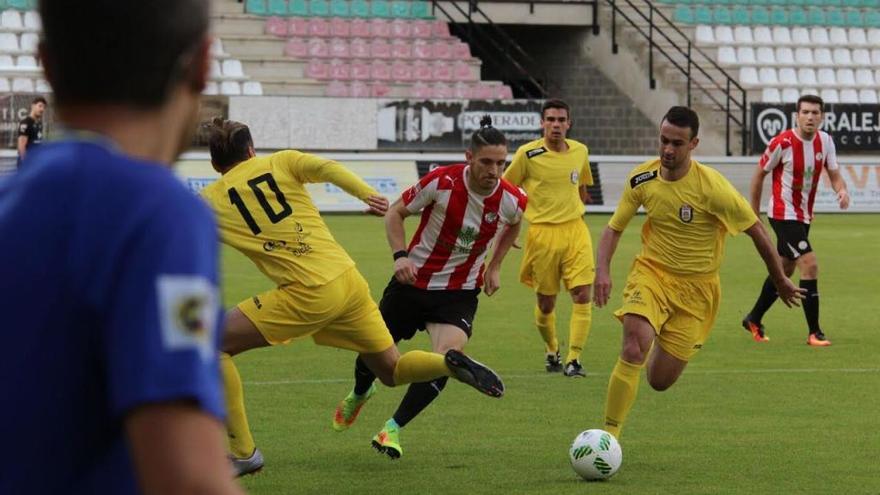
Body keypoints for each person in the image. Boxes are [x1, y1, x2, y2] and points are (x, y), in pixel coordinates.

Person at [0, 1, 243, 494]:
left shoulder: (14, 201)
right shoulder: (159, 213)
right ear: (202, 64)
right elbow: (187, 475)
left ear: (47, 64)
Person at [201, 118, 505, 476]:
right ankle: (446, 363)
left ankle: (242, 452)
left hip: (307, 292)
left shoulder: (209, 201)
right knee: (391, 371)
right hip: (349, 281)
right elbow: (327, 168)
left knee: (211, 345)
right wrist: (367, 194)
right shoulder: (281, 161)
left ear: (215, 164)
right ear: (251, 150)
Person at [593, 106, 804, 440]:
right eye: (663, 141)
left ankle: (658, 331)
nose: (667, 150)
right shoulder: (642, 179)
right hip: (652, 274)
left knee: (659, 381)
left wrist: (779, 280)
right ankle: (608, 437)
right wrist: (602, 270)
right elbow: (613, 229)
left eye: (677, 143)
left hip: (697, 291)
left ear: (694, 144)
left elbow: (757, 230)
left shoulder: (713, 188)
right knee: (634, 346)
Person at [332, 116, 527, 459]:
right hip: (413, 283)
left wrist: (494, 266)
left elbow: (514, 224)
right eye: (486, 162)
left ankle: (392, 429)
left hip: (459, 294)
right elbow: (396, 213)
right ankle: (361, 392)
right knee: (371, 353)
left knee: (448, 360)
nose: (494, 171)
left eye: (501, 163)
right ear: (469, 157)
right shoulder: (442, 181)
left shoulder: (512, 199)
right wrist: (400, 256)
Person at [742, 94, 850, 346]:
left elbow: (834, 174)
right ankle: (815, 333)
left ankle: (753, 317)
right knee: (809, 265)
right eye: (806, 112)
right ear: (797, 116)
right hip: (782, 213)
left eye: (815, 112)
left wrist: (841, 190)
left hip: (803, 215)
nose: (810, 117)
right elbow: (759, 174)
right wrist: (753, 214)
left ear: (822, 116)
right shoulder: (784, 142)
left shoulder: (826, 141)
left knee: (785, 268)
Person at [502, 98, 595, 377]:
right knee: (546, 303)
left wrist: (577, 209)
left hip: (576, 230)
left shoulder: (580, 151)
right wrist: (512, 223)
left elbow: (582, 188)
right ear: (542, 123)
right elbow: (507, 190)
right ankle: (552, 349)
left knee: (582, 294)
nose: (556, 125)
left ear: (569, 123)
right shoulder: (527, 154)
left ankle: (574, 359)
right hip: (542, 234)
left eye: (561, 120)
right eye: (550, 120)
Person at [16, 96, 46, 167]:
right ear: (33, 106)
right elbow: (21, 146)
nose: (42, 109)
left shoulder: (39, 123)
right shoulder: (26, 123)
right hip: (27, 162)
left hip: (35, 160)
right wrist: (25, 163)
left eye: (44, 107)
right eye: (40, 106)